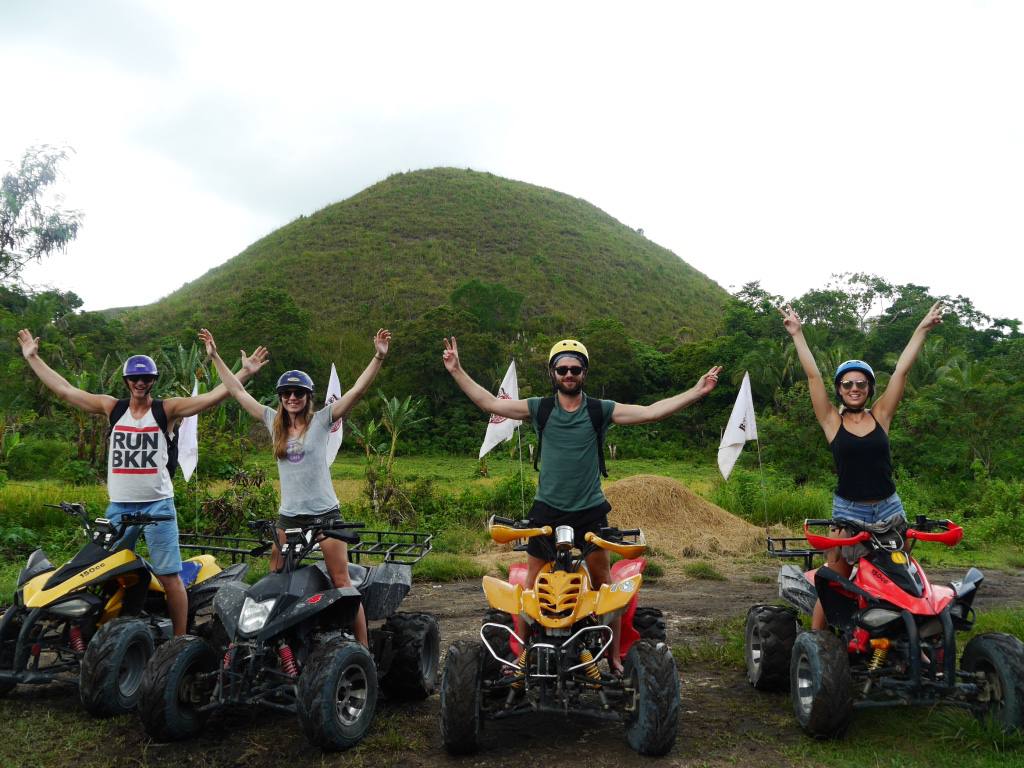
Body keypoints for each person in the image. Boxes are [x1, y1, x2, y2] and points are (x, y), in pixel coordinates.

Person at [443, 336, 722, 672]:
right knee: (531, 588)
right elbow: (490, 404)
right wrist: (457, 370)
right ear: (553, 372)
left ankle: (613, 655)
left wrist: (696, 391)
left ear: (584, 372)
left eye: (575, 368)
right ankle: (521, 657)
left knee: (606, 587)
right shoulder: (539, 407)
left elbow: (650, 413)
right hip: (546, 510)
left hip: (590, 511)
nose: (569, 374)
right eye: (562, 369)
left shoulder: (598, 409)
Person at [18, 328, 269, 636]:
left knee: (169, 576)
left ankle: (178, 640)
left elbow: (213, 397)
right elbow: (65, 390)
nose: (140, 383)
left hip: (157, 507)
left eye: (146, 378)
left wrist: (241, 370)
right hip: (119, 508)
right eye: (135, 378)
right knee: (100, 572)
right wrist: (33, 357)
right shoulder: (113, 408)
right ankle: (106, 632)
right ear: (126, 381)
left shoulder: (167, 409)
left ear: (153, 380)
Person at [199, 327, 391, 647]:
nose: (291, 398)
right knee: (276, 580)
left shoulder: (322, 420)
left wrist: (378, 356)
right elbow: (236, 391)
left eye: (298, 393)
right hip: (289, 519)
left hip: (326, 517)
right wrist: (216, 357)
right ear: (281, 397)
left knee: (341, 581)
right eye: (286, 393)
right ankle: (276, 644)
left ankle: (363, 648)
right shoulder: (273, 422)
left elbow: (356, 391)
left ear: (308, 397)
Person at [780, 301, 944, 630]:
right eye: (847, 384)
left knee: (900, 576)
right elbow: (813, 375)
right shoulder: (831, 421)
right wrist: (798, 334)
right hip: (848, 511)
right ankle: (817, 649)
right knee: (834, 580)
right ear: (840, 389)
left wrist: (922, 328)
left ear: (869, 389)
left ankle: (902, 644)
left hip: (889, 509)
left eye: (861, 384)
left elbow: (901, 371)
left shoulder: (881, 416)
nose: (854, 389)